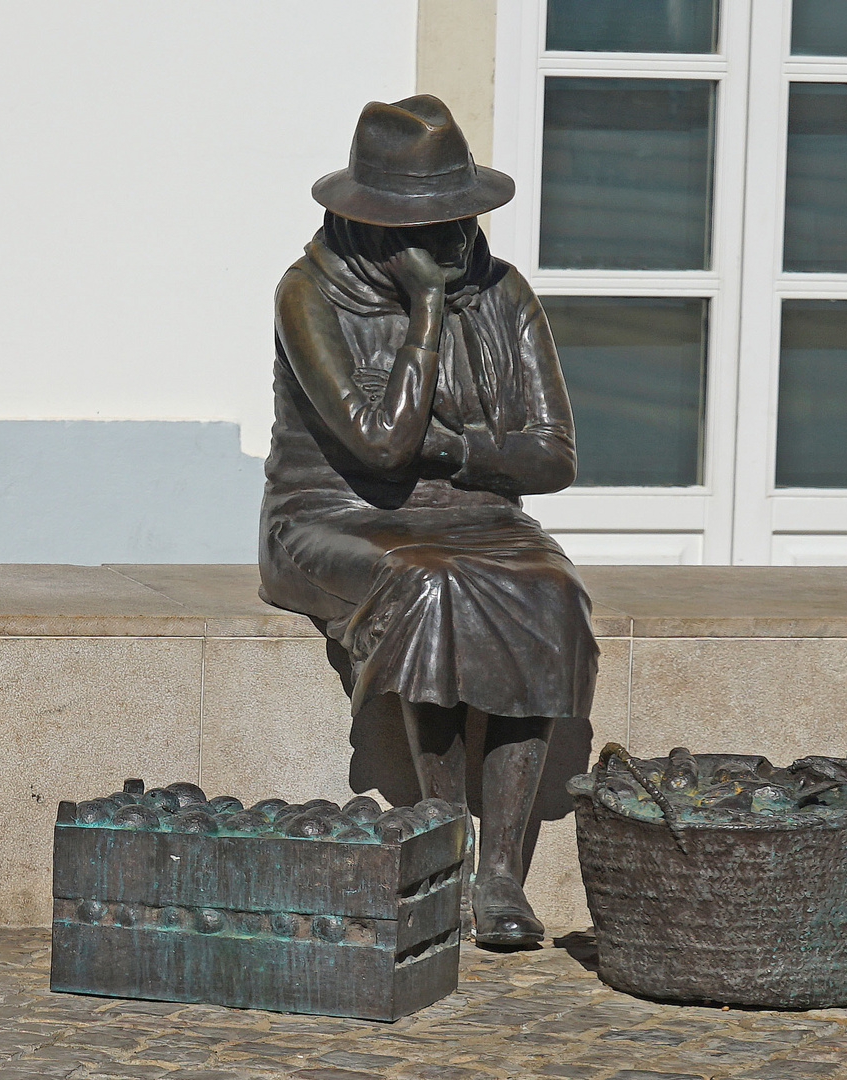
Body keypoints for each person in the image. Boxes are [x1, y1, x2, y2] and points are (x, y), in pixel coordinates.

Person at [258, 95, 598, 946]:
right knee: (430, 584)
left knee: (547, 589)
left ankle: (501, 880)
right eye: (429, 225)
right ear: (369, 224)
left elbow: (553, 458)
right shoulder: (309, 295)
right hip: (333, 517)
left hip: (478, 516)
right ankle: (444, 850)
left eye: (460, 220)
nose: (451, 242)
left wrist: (454, 455)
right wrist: (427, 314)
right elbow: (378, 448)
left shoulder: (504, 292)